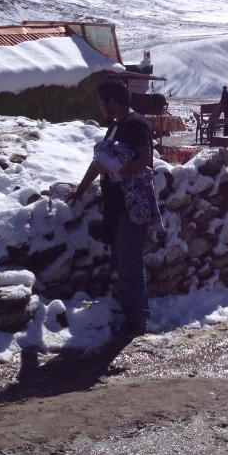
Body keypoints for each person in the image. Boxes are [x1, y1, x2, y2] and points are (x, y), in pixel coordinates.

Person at [67, 81, 161, 338]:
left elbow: (144, 160)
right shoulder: (116, 126)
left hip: (132, 204)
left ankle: (137, 318)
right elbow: (100, 163)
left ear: (112, 102)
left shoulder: (135, 124)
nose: (100, 107)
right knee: (122, 257)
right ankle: (132, 312)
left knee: (130, 260)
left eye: (101, 102)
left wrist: (118, 169)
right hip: (117, 204)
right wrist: (81, 189)